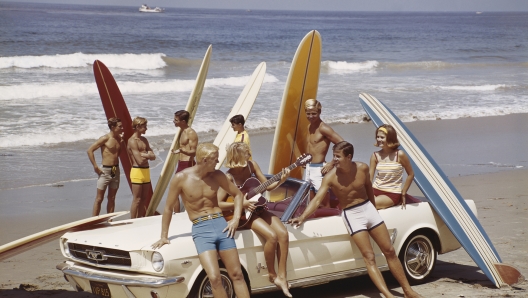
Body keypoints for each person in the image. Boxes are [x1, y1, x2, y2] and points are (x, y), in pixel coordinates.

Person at [289, 141, 422, 298]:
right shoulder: (331, 177)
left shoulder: (362, 168)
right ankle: (388, 295)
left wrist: (374, 209)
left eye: (338, 156)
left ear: (349, 157)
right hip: (352, 215)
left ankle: (408, 291)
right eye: (334, 156)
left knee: (390, 251)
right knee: (369, 257)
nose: (334, 160)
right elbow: (317, 200)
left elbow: (369, 189)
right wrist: (302, 217)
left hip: (368, 209)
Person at [151, 143, 250, 298]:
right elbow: (168, 208)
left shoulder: (217, 176)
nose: (218, 162)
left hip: (221, 226)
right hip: (201, 229)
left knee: (237, 274)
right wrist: (164, 236)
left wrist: (236, 218)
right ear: (205, 160)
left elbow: (237, 195)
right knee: (214, 278)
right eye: (215, 159)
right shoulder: (181, 178)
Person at [218, 142, 292, 297]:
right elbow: (218, 203)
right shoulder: (228, 176)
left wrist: (282, 180)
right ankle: (272, 275)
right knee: (271, 237)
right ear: (238, 156)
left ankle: (283, 277)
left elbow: (267, 186)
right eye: (246, 153)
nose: (249, 155)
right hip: (244, 215)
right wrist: (242, 203)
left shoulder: (252, 166)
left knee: (283, 234)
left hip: (258, 209)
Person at [304, 99, 344, 206]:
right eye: (308, 114)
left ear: (319, 112)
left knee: (324, 201)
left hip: (319, 169)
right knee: (311, 200)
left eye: (314, 113)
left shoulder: (323, 128)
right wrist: (305, 160)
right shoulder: (309, 126)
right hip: (309, 168)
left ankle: (330, 217)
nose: (311, 116)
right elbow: (312, 146)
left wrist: (332, 163)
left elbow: (343, 144)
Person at [369, 124, 416, 210]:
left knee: (370, 205)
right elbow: (369, 178)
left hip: (391, 193)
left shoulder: (400, 154)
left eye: (382, 137)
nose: (379, 139)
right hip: (375, 189)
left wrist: (403, 193)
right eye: (377, 137)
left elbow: (411, 174)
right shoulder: (375, 155)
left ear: (390, 138)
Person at [87, 117, 124, 216]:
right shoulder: (105, 138)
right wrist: (95, 166)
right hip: (105, 170)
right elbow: (90, 150)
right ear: (112, 127)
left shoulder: (119, 138)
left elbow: (117, 154)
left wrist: (121, 143)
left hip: (115, 169)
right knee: (99, 198)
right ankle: (93, 221)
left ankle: (109, 219)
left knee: (112, 198)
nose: (122, 128)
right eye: (120, 126)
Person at [128, 116, 156, 218]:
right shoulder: (132, 141)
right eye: (145, 126)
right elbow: (139, 161)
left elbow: (154, 156)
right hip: (137, 171)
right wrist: (148, 155)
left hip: (146, 171)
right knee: (137, 199)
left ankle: (140, 219)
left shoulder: (144, 139)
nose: (146, 129)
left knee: (144, 198)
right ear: (138, 126)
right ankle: (132, 221)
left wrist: (146, 155)